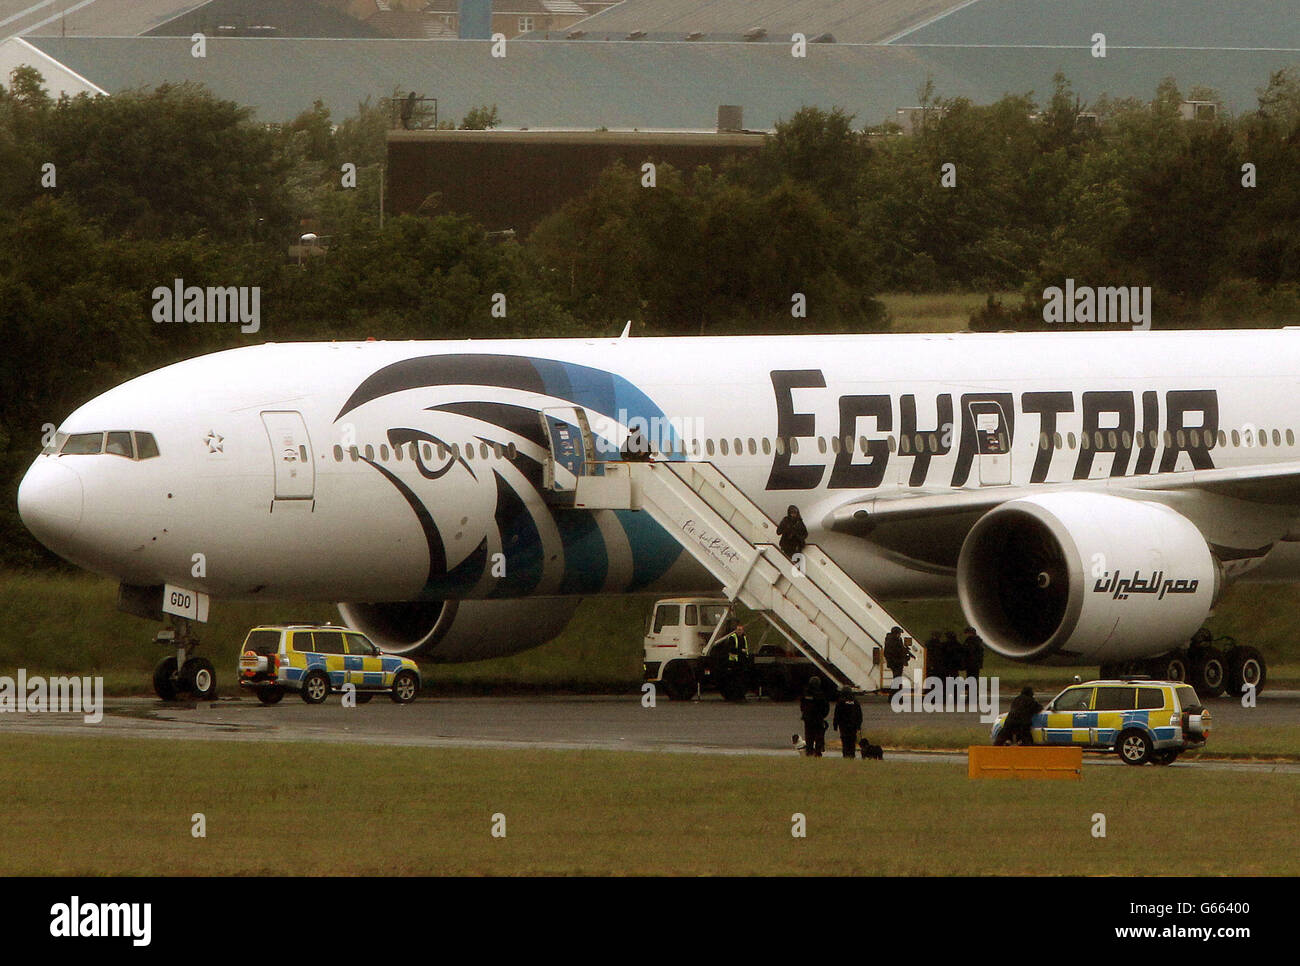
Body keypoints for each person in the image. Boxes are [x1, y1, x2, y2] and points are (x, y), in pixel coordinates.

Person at [799, 675, 830, 757]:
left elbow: (802, 705)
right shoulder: (821, 694)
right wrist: (823, 716)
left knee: (809, 736)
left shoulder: (805, 693)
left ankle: (809, 752)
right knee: (819, 736)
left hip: (808, 719)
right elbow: (826, 707)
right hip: (818, 719)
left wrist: (805, 714)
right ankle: (818, 752)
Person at [832, 688, 863, 758]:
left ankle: (845, 755)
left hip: (843, 726)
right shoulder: (855, 702)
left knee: (845, 741)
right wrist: (858, 726)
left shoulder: (840, 702)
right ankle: (852, 755)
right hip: (853, 726)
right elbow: (859, 715)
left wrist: (835, 725)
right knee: (852, 741)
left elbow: (837, 714)